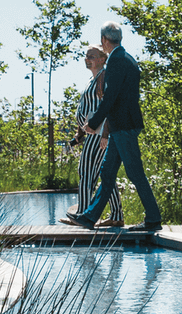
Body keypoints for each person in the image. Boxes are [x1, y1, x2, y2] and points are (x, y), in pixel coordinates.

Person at [62, 23, 161, 233]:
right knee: (107, 173)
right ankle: (90, 217)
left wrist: (94, 123)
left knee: (135, 174)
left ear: (105, 40)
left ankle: (153, 218)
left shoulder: (116, 61)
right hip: (121, 126)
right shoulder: (128, 59)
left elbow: (111, 98)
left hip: (123, 127)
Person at [69, 46, 124, 228]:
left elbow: (111, 106)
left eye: (91, 56)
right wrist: (79, 134)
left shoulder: (104, 78)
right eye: (86, 56)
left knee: (86, 172)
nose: (87, 59)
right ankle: (116, 216)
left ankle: (83, 215)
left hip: (100, 134)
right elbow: (86, 110)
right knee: (106, 175)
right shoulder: (91, 80)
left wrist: (106, 135)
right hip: (92, 133)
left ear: (102, 59)